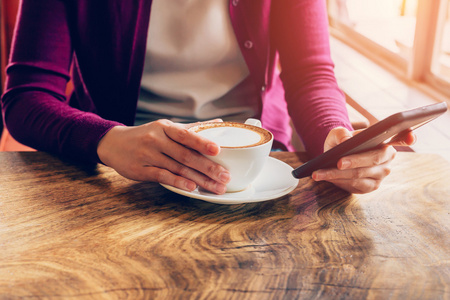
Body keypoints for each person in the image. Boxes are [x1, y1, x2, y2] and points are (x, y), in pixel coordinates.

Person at [1, 0, 414, 195]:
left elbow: (310, 74)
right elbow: (26, 98)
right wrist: (107, 140)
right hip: (121, 171)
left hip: (256, 163)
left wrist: (334, 140)